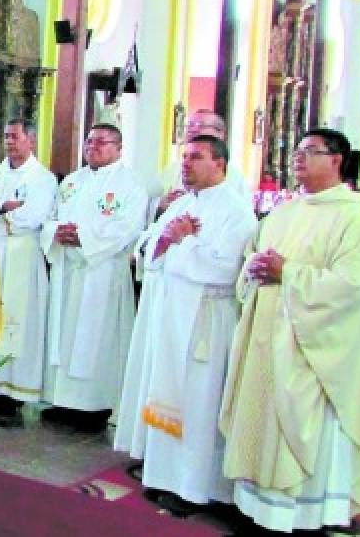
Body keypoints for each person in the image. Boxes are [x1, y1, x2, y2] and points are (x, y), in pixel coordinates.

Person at [219, 129, 360, 533]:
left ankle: (305, 517)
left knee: (303, 435)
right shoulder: (282, 213)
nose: (298, 157)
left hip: (311, 351)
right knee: (262, 427)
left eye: (311, 151)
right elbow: (252, 260)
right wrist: (254, 269)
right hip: (266, 342)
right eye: (297, 151)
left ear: (337, 161)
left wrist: (288, 273)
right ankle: (259, 511)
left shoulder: (353, 218)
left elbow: (354, 287)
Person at [114, 135, 256, 515]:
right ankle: (164, 476)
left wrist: (184, 242)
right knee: (168, 393)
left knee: (199, 403)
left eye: (196, 157)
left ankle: (196, 487)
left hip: (206, 319)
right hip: (173, 312)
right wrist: (164, 243)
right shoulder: (182, 203)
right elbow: (149, 248)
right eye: (184, 157)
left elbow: (226, 269)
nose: (186, 164)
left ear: (220, 164)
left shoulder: (237, 212)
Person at [40, 123, 148, 433]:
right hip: (68, 270)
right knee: (64, 334)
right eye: (89, 141)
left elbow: (128, 228)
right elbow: (51, 218)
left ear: (118, 148)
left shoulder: (131, 185)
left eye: (101, 142)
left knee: (96, 338)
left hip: (102, 272)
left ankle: (94, 405)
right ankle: (61, 399)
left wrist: (84, 239)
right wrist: (56, 232)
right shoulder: (72, 181)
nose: (93, 147)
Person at [0, 118, 56, 423]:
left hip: (22, 258)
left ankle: (12, 392)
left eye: (15, 137)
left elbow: (32, 217)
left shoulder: (43, 179)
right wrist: (6, 206)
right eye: (6, 137)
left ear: (31, 140)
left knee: (18, 320)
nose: (9, 142)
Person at [155, 110, 248, 217]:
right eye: (189, 125)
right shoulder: (174, 168)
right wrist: (162, 205)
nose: (192, 130)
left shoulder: (234, 177)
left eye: (200, 125)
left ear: (220, 133)